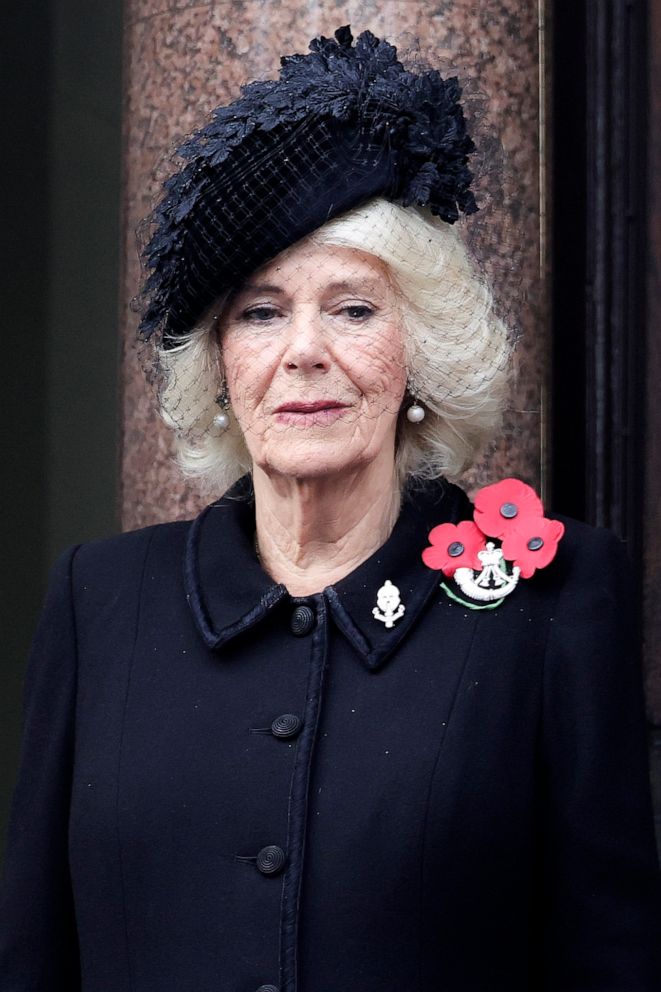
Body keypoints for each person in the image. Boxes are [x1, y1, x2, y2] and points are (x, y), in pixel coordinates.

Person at [1, 25, 660, 992]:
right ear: (222, 369)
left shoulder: (552, 605)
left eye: (353, 309)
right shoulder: (98, 601)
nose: (303, 352)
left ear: (418, 356)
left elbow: (611, 964)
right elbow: (33, 953)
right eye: (261, 314)